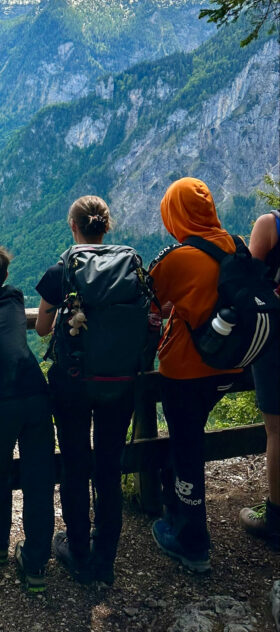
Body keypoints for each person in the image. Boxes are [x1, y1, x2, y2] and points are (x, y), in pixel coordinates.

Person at [34, 195, 134, 586]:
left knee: (75, 465)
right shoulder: (129, 264)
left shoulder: (62, 269)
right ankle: (104, 560)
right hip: (120, 382)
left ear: (73, 227)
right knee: (109, 468)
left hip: (73, 383)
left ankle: (78, 551)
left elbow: (42, 328)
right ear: (106, 226)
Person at [149, 176, 240, 572]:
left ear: (176, 213)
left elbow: (144, 302)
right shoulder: (237, 246)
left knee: (186, 448)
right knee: (189, 441)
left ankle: (192, 544)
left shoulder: (177, 258)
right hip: (230, 366)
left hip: (186, 370)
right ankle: (175, 517)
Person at [0, 244, 54, 593]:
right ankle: (35, 565)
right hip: (34, 391)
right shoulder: (16, 297)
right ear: (6, 276)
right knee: (39, 476)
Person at [239, 209, 280, 545]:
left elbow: (250, 284)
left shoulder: (271, 225)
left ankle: (276, 517)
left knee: (277, 429)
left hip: (276, 341)